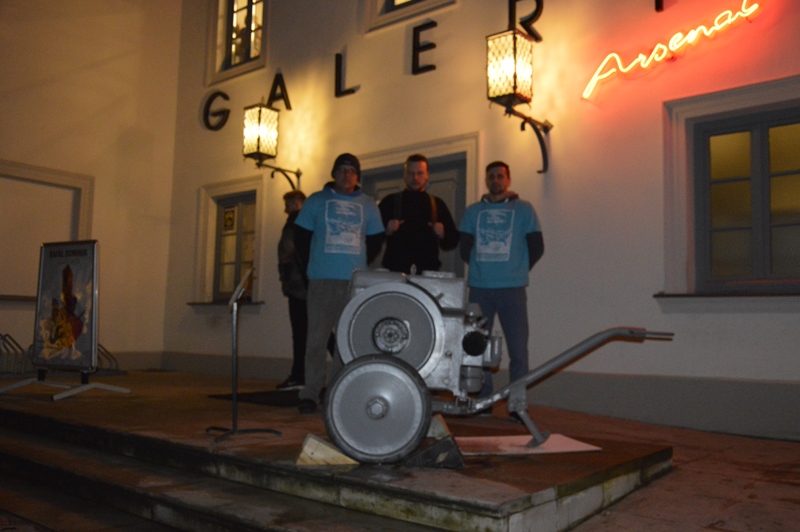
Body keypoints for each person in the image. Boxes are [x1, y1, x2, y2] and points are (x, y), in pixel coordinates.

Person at [293, 153, 385, 414]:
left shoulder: (368, 204)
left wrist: (361, 263)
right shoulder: (316, 201)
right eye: (342, 170)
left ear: (358, 176)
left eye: (352, 171)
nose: (347, 175)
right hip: (322, 281)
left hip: (354, 283)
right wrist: (312, 267)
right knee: (316, 341)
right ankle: (310, 393)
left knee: (346, 341)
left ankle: (335, 392)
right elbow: (300, 239)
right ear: (334, 174)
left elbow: (376, 239)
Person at [458, 161, 544, 399]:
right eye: (491, 176)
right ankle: (483, 398)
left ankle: (517, 402)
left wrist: (515, 269)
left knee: (518, 350)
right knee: (477, 346)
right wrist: (483, 268)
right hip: (480, 289)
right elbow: (464, 248)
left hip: (512, 290)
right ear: (486, 180)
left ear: (508, 180)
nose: (495, 180)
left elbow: (537, 246)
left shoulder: (524, 209)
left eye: (500, 176)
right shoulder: (473, 211)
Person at [378, 154, 459, 274]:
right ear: (405, 175)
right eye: (410, 173)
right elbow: (370, 239)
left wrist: (443, 234)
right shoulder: (390, 202)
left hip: (427, 273)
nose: (415, 178)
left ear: (427, 175)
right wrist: (385, 230)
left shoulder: (437, 204)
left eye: (420, 173)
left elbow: (452, 242)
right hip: (395, 272)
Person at [276, 190, 307, 391]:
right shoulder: (310, 222)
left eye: (288, 204)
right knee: (314, 330)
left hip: (298, 285)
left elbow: (286, 252)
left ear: (296, 203)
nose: (285, 209)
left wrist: (285, 278)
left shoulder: (294, 224)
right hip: (310, 283)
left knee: (300, 332)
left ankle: (298, 375)